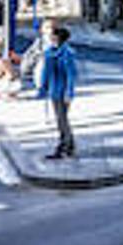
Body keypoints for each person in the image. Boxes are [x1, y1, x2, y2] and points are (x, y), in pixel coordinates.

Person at [40, 25, 79, 160]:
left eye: (53, 36)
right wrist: (43, 88)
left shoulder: (67, 54)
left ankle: (65, 146)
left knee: (62, 120)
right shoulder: (50, 53)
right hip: (54, 91)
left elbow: (71, 75)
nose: (51, 38)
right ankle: (68, 146)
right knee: (61, 120)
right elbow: (46, 72)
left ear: (59, 38)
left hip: (63, 92)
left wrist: (69, 93)